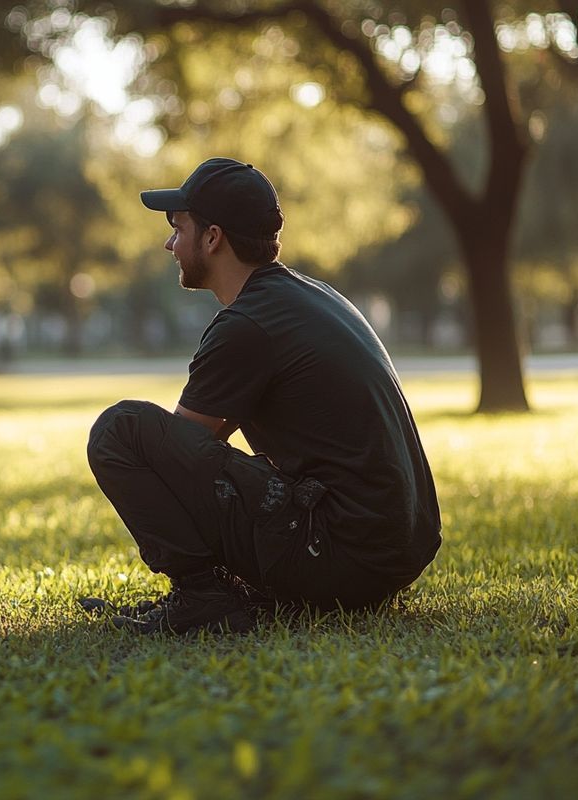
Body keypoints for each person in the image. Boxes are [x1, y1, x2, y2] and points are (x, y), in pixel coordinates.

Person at [83, 157, 441, 636]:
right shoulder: (311, 297)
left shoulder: (247, 326)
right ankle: (220, 589)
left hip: (345, 556)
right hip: (393, 553)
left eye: (178, 228)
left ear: (212, 238)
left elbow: (172, 465)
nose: (170, 243)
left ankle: (202, 598)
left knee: (119, 431)